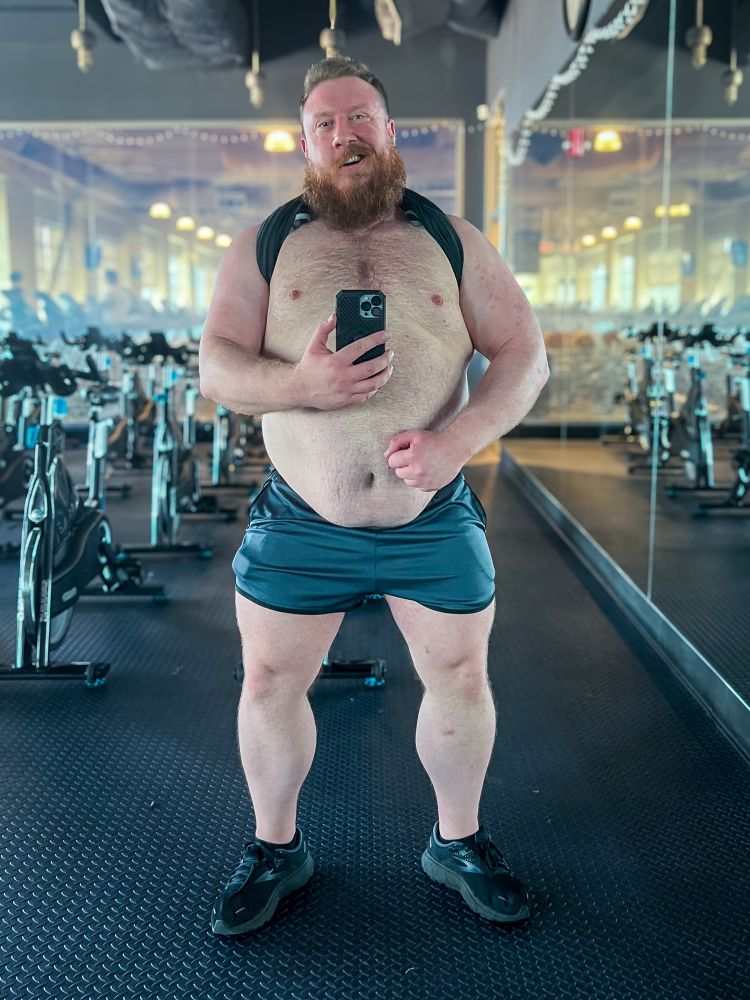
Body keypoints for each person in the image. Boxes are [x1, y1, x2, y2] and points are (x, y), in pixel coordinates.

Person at [199, 56, 549, 937]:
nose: (344, 134)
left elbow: (524, 355)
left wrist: (456, 442)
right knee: (273, 679)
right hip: (300, 515)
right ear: (306, 142)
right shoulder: (265, 243)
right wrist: (302, 386)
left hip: (428, 514)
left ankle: (457, 840)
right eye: (325, 123)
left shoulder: (453, 238)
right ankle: (277, 848)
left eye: (361, 118)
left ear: (390, 133)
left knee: (461, 674)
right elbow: (217, 368)